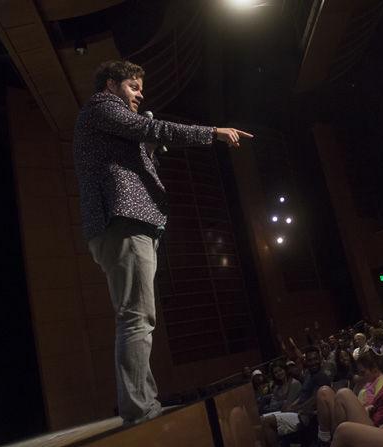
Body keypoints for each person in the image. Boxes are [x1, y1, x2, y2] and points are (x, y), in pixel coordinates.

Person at [73, 60, 253, 424]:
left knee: (139, 317)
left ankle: (144, 403)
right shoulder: (102, 107)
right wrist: (213, 132)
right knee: (136, 318)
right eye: (134, 87)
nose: (140, 94)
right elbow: (154, 129)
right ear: (111, 84)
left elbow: (141, 147)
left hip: (129, 224)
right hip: (122, 222)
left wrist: (150, 147)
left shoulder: (111, 122)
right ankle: (140, 411)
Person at [316, 349, 383, 445]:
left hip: (365, 423)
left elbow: (372, 406)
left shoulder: (382, 380)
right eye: (360, 373)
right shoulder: (367, 383)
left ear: (375, 370)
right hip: (351, 417)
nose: (361, 376)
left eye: (363, 373)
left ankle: (330, 440)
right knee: (324, 392)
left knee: (343, 393)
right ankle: (324, 438)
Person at [262, 346, 331, 446]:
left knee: (267, 422)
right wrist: (292, 405)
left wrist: (295, 408)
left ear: (320, 359)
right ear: (306, 361)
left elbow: (314, 401)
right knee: (261, 419)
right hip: (298, 411)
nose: (313, 362)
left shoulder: (321, 377)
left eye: (315, 359)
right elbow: (302, 396)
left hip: (305, 415)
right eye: (310, 360)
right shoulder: (308, 374)